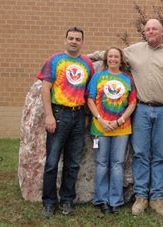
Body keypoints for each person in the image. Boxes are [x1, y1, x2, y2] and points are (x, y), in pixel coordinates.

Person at [90, 19, 163, 217]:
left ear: (162, 31)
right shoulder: (135, 50)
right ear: (144, 33)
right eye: (147, 29)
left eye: (154, 28)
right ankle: (141, 197)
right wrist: (87, 56)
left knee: (159, 154)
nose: (150, 31)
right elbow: (111, 54)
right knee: (140, 154)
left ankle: (157, 198)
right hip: (142, 110)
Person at [38, 26, 95, 219]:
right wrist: (48, 115)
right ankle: (48, 202)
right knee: (52, 162)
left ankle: (67, 200)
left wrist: (87, 117)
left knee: (73, 163)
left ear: (82, 42)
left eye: (77, 39)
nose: (74, 41)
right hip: (59, 113)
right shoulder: (54, 60)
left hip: (78, 116)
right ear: (65, 40)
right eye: (70, 38)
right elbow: (45, 89)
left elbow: (89, 93)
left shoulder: (88, 63)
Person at [87, 47, 137, 214]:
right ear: (106, 59)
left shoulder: (127, 79)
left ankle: (115, 200)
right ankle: (101, 199)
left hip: (121, 128)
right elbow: (90, 99)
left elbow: (132, 103)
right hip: (100, 127)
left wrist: (119, 120)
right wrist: (100, 119)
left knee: (117, 164)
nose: (113, 59)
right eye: (110, 56)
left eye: (116, 56)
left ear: (120, 59)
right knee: (101, 164)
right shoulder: (97, 77)